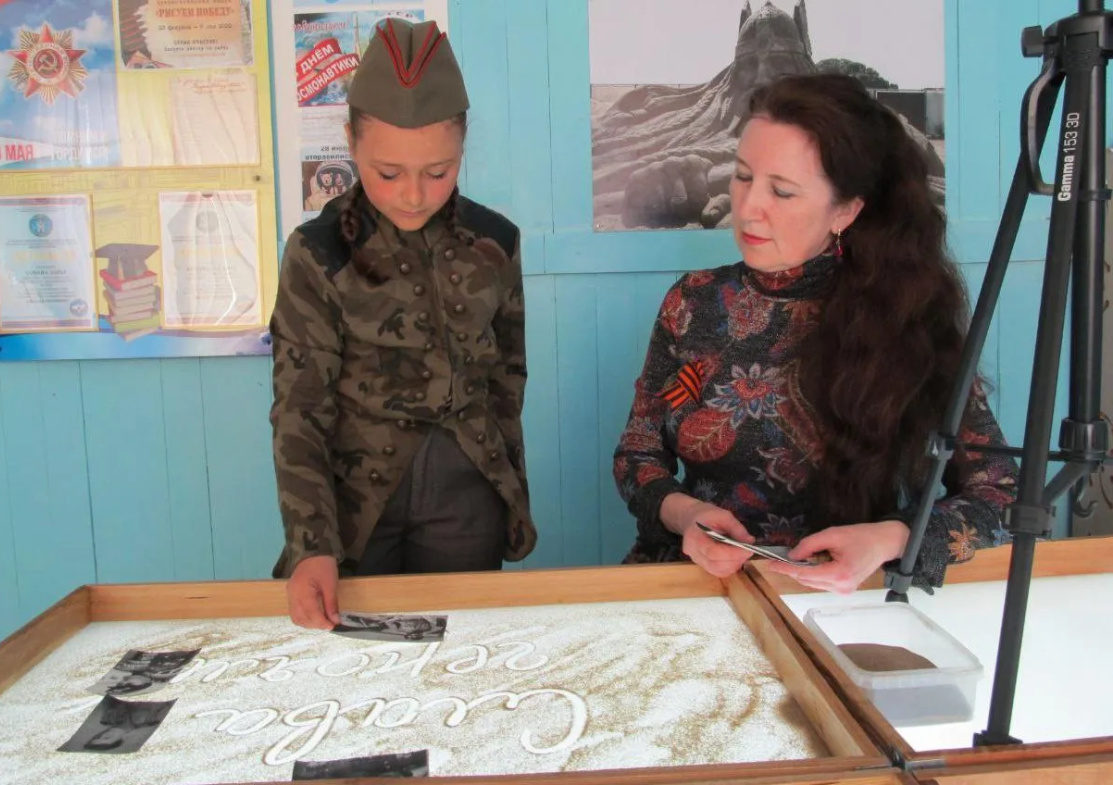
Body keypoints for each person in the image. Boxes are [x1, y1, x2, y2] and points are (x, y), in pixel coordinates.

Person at [613, 73, 1018, 594]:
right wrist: (686, 515)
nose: (748, 207)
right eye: (741, 177)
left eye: (782, 191)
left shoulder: (906, 317)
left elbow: (1000, 493)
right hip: (699, 588)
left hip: (844, 598)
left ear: (845, 210)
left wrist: (893, 538)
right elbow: (638, 455)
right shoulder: (693, 302)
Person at [270, 18, 536, 629]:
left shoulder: (496, 241)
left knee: (458, 649)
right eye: (388, 173)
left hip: (467, 494)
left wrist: (510, 495)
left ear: (463, 146)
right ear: (350, 142)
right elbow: (299, 406)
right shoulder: (317, 252)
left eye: (438, 171)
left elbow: (507, 379)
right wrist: (311, 543)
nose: (414, 195)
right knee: (356, 655)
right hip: (356, 504)